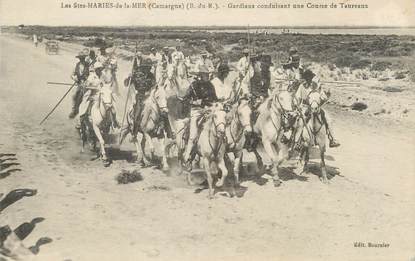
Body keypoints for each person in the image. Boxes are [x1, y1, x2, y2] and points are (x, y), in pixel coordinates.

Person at [183, 65, 219, 169]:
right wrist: (195, 101)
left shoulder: (210, 85)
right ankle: (188, 158)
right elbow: (185, 100)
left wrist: (218, 102)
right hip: (197, 111)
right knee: (193, 135)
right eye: (205, 74)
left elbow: (214, 98)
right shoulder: (194, 85)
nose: (207, 76)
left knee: (219, 126)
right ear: (200, 75)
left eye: (208, 74)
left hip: (209, 110)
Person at [294, 69, 340, 148]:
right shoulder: (302, 86)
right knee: (300, 122)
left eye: (310, 77)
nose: (309, 79)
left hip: (316, 107)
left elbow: (323, 97)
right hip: (305, 107)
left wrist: (327, 95)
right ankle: (297, 142)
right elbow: (297, 98)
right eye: (307, 77)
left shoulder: (316, 86)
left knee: (328, 119)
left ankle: (332, 139)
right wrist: (297, 106)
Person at [124, 58, 156, 137]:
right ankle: (134, 133)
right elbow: (126, 84)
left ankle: (168, 132)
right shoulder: (136, 74)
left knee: (163, 109)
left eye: (149, 67)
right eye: (147, 67)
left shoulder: (151, 75)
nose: (148, 68)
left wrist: (152, 92)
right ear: (143, 67)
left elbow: (155, 85)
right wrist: (128, 78)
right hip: (140, 96)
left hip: (150, 96)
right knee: (137, 113)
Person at [69, 50, 90, 119]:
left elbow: (92, 74)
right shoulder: (76, 65)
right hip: (79, 84)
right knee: (74, 95)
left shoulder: (88, 65)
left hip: (87, 84)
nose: (82, 59)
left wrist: (87, 80)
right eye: (80, 58)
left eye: (83, 58)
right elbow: (71, 75)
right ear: (79, 58)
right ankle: (74, 110)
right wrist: (75, 78)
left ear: (84, 58)